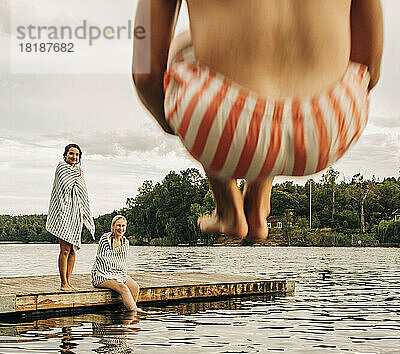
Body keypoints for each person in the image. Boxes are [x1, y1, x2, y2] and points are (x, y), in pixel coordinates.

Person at [132, 0, 383, 240]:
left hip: (218, 122)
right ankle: (258, 198)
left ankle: (227, 209)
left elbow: (145, 74)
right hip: (332, 121)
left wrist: (177, 123)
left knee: (185, 45)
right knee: (276, 67)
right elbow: (369, 67)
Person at [46, 144, 95, 291]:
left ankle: (69, 281)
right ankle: (63, 283)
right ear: (65, 155)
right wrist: (76, 174)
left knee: (73, 250)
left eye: (77, 155)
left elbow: (83, 193)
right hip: (64, 212)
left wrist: (83, 212)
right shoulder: (61, 167)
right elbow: (64, 187)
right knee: (65, 249)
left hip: (76, 214)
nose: (74, 157)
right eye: (71, 154)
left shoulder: (80, 172)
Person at [91, 215, 141, 312]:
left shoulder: (125, 242)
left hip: (119, 274)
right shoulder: (106, 239)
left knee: (135, 287)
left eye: (123, 226)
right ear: (112, 227)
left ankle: (127, 312)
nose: (121, 228)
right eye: (118, 225)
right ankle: (134, 312)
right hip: (102, 274)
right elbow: (102, 261)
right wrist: (114, 278)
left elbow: (122, 262)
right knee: (123, 288)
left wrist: (120, 276)